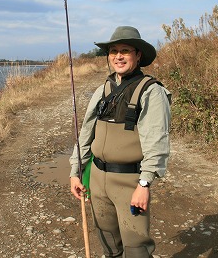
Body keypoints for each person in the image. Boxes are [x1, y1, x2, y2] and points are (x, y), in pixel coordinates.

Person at [69, 26, 171, 258]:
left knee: (136, 247)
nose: (118, 56)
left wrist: (144, 185)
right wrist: (75, 171)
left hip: (129, 184)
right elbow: (85, 134)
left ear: (138, 55)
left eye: (125, 50)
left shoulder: (151, 92)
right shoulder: (102, 89)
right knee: (108, 241)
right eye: (113, 51)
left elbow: (157, 142)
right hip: (96, 179)